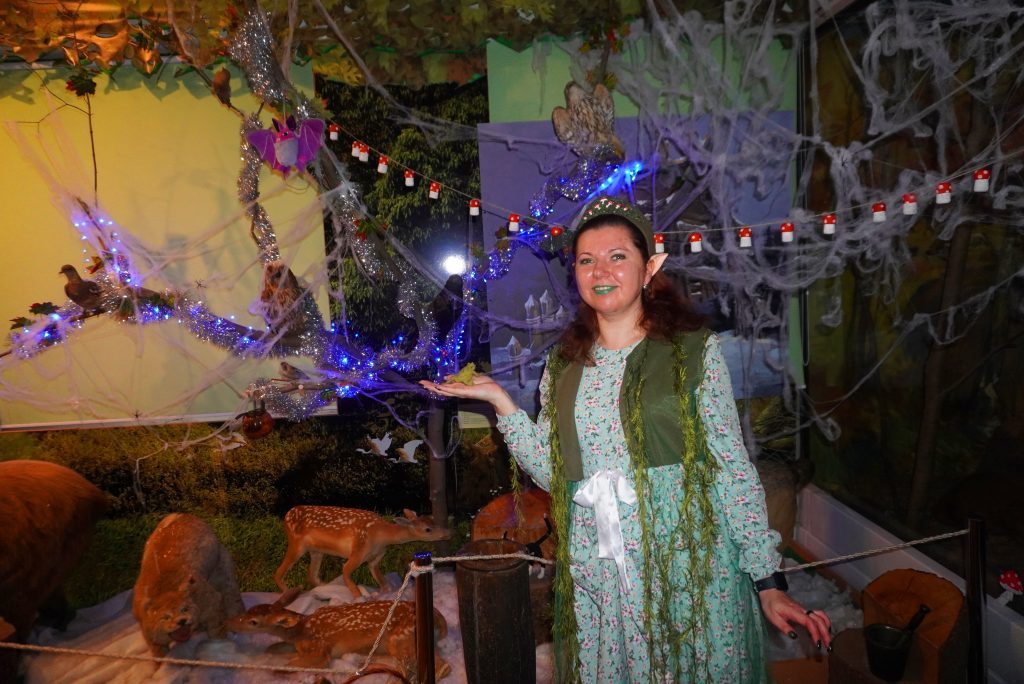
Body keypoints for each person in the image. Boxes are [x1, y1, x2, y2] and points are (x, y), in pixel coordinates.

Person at [422, 195, 832, 682]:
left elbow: (730, 468)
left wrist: (768, 580)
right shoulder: (564, 364)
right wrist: (499, 400)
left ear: (649, 267)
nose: (601, 271)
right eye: (586, 260)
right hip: (603, 576)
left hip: (687, 568)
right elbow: (557, 473)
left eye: (618, 256)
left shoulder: (693, 352)